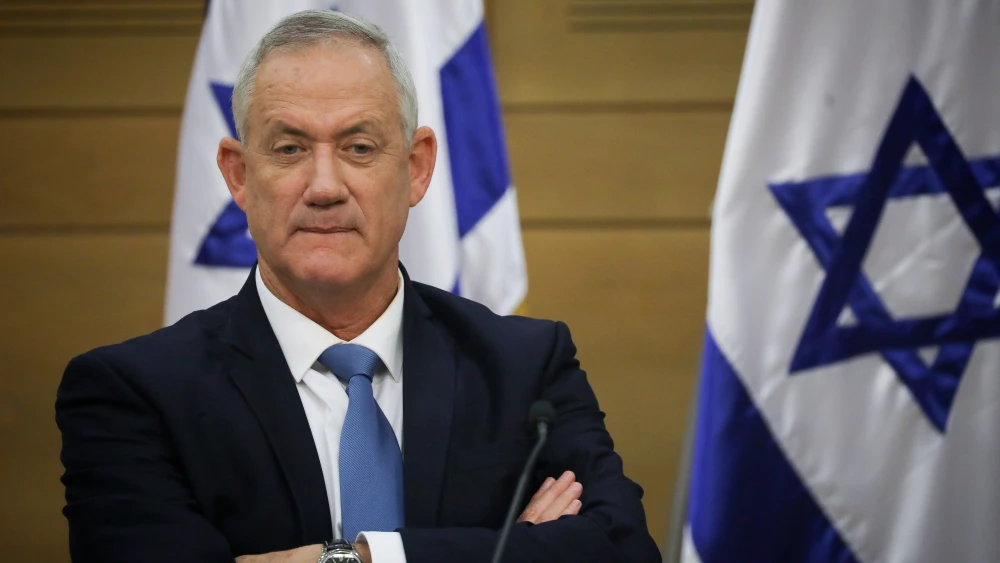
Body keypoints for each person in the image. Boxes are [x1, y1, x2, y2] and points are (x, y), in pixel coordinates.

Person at [56, 10, 660, 563]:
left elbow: (620, 549)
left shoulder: (524, 367)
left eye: (359, 147)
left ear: (417, 167)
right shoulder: (134, 393)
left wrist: (358, 559)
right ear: (239, 176)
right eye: (290, 148)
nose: (324, 186)